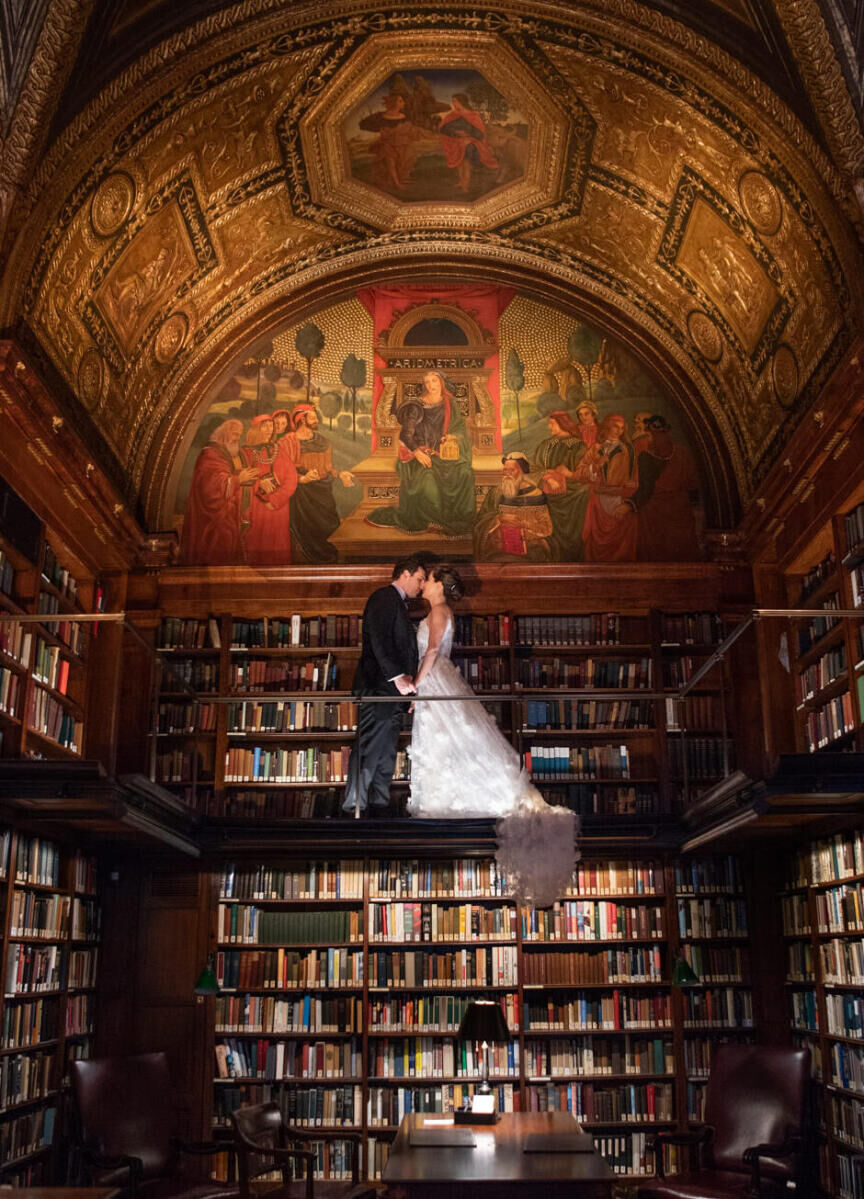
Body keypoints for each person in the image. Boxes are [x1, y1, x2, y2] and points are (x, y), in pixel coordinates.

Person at [407, 564, 578, 906]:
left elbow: (431, 651)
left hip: (435, 680)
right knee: (447, 742)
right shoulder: (440, 610)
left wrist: (416, 686)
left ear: (439, 584)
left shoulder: (440, 611)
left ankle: (461, 801)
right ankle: (448, 800)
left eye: (429, 580)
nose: (424, 584)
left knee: (450, 740)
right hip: (438, 682)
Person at [343, 556, 427, 814]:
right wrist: (397, 677)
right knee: (369, 750)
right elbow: (377, 639)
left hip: (392, 694)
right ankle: (354, 809)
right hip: (379, 688)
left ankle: (377, 807)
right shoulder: (384, 597)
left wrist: (408, 691)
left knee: (386, 754)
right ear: (405, 574)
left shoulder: (398, 604)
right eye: (420, 579)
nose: (422, 586)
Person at [367, 370, 475, 535]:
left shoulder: (449, 404)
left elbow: (459, 428)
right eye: (427, 382)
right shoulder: (416, 406)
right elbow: (406, 435)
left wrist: (453, 436)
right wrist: (418, 453)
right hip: (418, 455)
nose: (431, 385)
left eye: (434, 381)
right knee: (428, 479)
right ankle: (433, 521)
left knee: (465, 472)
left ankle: (459, 518)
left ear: (441, 383)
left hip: (442, 454)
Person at [620, 414, 703, 560]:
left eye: (649, 435)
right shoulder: (682, 452)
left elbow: (645, 490)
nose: (648, 439)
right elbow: (693, 485)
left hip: (654, 512)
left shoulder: (646, 457)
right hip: (680, 509)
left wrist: (629, 505)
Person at [283, 403, 356, 563]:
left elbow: (328, 467)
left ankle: (330, 560)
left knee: (329, 526)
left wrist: (340, 474)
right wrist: (303, 478)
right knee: (307, 529)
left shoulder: (323, 441)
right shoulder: (288, 442)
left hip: (323, 491)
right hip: (302, 495)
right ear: (302, 420)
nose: (317, 420)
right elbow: (284, 470)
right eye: (313, 417)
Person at [180, 419, 260, 564]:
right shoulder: (210, 455)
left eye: (239, 435)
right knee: (217, 546)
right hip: (211, 517)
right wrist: (238, 479)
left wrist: (241, 475)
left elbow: (223, 475)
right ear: (223, 434)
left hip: (224, 513)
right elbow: (210, 488)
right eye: (234, 434)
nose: (237, 438)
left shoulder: (222, 455)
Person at [578, 413, 638, 562]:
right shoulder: (595, 449)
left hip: (618, 499)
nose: (618, 431)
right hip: (598, 503)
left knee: (620, 543)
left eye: (622, 428)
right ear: (606, 427)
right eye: (615, 427)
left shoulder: (627, 450)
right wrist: (595, 466)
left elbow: (634, 479)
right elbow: (580, 472)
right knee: (595, 542)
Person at [533, 410, 591, 560]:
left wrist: (565, 476)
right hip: (547, 490)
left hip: (572, 492)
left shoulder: (578, 446)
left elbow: (583, 473)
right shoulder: (545, 445)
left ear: (562, 423)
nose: (549, 427)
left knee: (583, 492)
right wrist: (547, 476)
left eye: (552, 424)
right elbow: (535, 469)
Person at [473, 452, 553, 561]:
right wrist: (497, 519)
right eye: (505, 470)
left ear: (522, 472)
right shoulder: (496, 493)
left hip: (530, 547)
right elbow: (481, 521)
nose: (507, 474)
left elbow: (546, 528)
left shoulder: (536, 494)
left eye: (512, 470)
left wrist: (522, 525)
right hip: (499, 548)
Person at [240, 414, 298, 565]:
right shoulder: (245, 453)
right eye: (264, 425)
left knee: (278, 543)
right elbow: (240, 478)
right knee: (256, 542)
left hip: (279, 508)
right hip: (256, 507)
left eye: (271, 425)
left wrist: (275, 499)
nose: (268, 429)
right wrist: (258, 483)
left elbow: (292, 479)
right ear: (255, 429)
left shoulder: (279, 451)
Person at [438, 93, 499, 193]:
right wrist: (456, 133)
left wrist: (467, 135)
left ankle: (465, 185)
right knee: (459, 164)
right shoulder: (453, 115)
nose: (453, 103)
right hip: (456, 142)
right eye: (453, 101)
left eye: (455, 101)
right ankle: (461, 182)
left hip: (470, 143)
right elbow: (443, 128)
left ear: (461, 102)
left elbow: (480, 133)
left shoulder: (473, 115)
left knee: (466, 164)